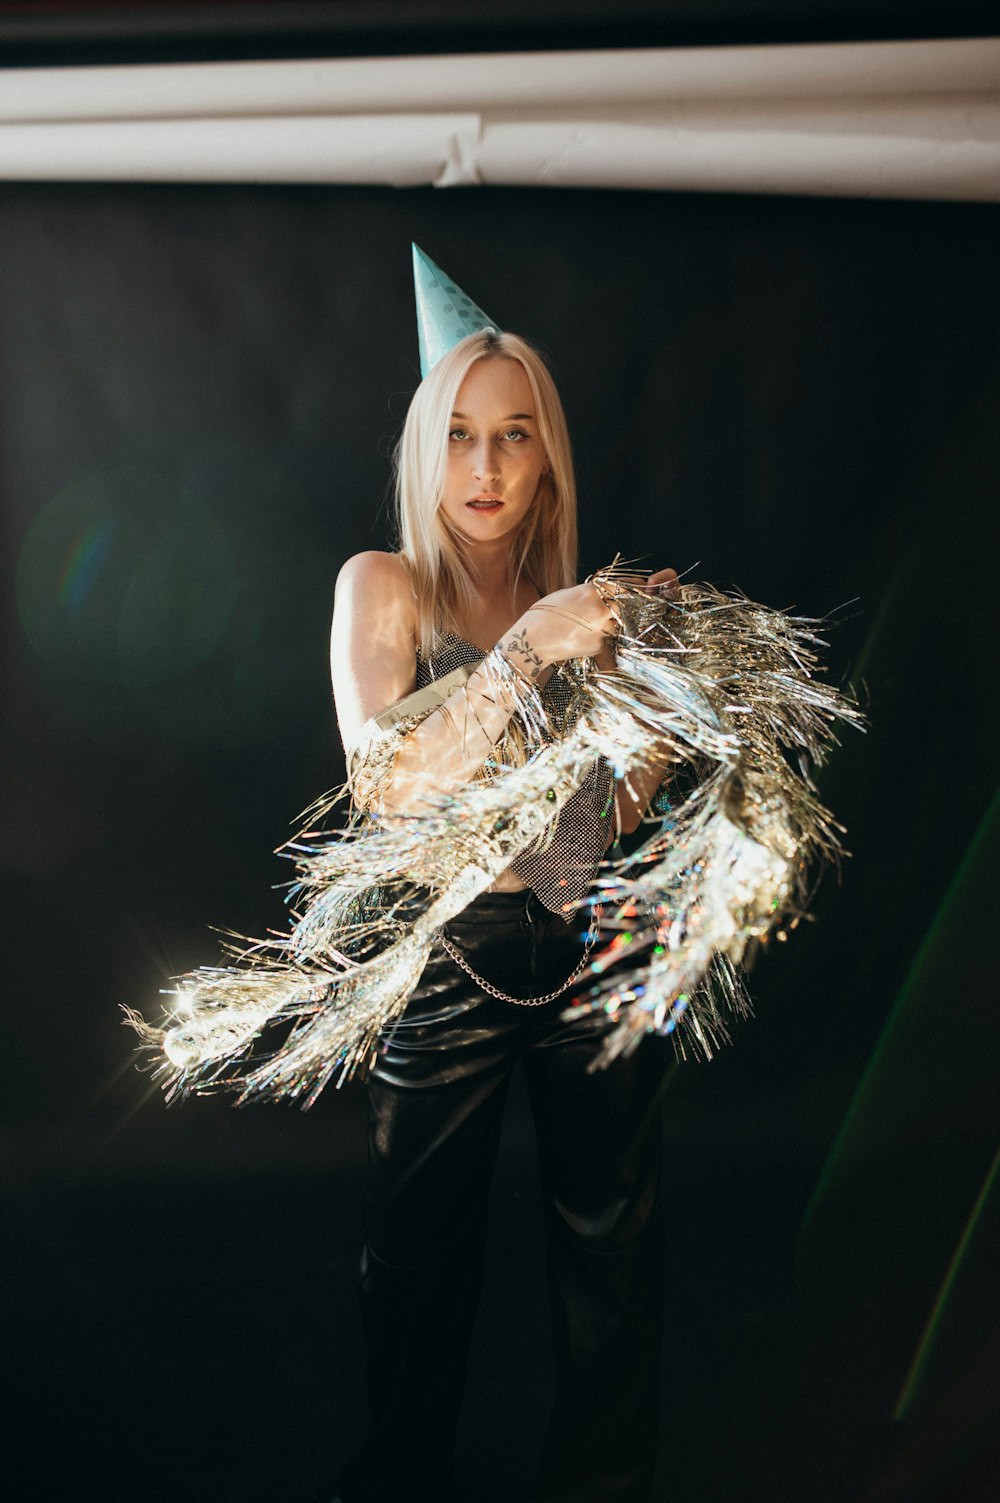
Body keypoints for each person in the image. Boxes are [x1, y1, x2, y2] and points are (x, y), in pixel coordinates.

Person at [321, 249, 678, 1503]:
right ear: (429, 451)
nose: (484, 469)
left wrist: (657, 726)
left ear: (544, 459)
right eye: (461, 436)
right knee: (417, 1255)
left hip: (591, 943)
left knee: (611, 1246)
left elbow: (601, 814)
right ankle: (402, 1481)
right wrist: (529, 651)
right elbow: (390, 784)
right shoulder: (387, 592)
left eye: (512, 438)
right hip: (451, 960)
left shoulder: (589, 602)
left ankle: (605, 1485)